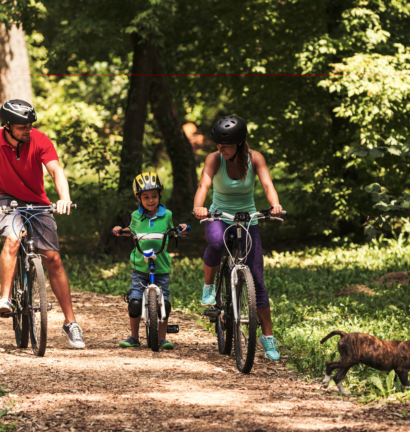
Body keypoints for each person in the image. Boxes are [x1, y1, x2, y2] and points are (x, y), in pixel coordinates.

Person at [0, 99, 85, 349]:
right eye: (22, 126)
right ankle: (5, 300)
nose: (28, 129)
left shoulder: (40, 140)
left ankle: (71, 322)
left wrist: (64, 198)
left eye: (30, 125)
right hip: (5, 201)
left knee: (53, 259)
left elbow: (56, 171)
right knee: (13, 239)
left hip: (37, 201)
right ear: (7, 125)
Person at [192, 115, 283, 360]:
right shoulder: (214, 159)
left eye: (226, 146)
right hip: (219, 215)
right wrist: (199, 207)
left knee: (258, 279)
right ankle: (209, 287)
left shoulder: (255, 159)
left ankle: (267, 336)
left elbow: (266, 185)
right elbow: (203, 185)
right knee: (214, 242)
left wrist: (274, 204)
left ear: (240, 144)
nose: (220, 150)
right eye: (218, 145)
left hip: (247, 219)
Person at [113, 172, 187, 350]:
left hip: (160, 266)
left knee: (165, 303)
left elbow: (174, 230)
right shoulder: (136, 216)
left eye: (154, 196)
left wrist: (181, 229)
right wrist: (120, 230)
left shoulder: (166, 214)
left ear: (160, 195)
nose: (151, 200)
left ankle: (162, 338)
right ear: (138, 198)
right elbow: (130, 229)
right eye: (146, 197)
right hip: (140, 266)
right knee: (135, 303)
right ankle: (134, 337)